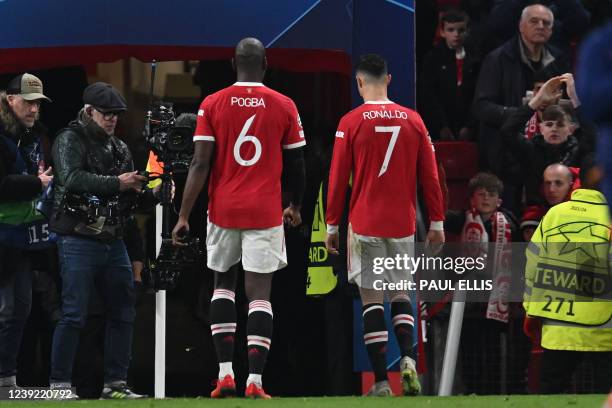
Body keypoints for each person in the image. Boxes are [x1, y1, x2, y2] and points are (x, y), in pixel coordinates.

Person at [172, 37, 306, 399]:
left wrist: (184, 214)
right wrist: (295, 205)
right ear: (265, 64)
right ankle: (256, 382)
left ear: (234, 64)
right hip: (265, 210)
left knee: (222, 285)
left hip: (224, 209)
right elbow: (297, 164)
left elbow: (200, 162)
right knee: (260, 294)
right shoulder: (284, 105)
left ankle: (226, 374)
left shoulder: (212, 103)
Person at [324, 54, 445, 396]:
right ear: (389, 79)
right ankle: (407, 358)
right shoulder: (414, 120)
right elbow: (431, 177)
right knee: (401, 293)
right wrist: (436, 220)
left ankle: (380, 382)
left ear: (359, 82)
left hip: (365, 222)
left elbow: (336, 180)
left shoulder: (350, 122)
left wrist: (332, 226)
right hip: (402, 223)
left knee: (371, 300)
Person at [49, 82, 153, 399]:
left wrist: (152, 193)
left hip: (113, 239)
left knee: (124, 311)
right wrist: (118, 183)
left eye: (116, 116)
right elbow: (70, 178)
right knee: (74, 313)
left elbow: (131, 199)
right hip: (77, 237)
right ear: (89, 111)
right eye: (106, 114)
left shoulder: (120, 148)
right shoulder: (69, 139)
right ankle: (59, 385)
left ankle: (115, 384)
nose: (111, 120)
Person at [523, 159, 612, 393]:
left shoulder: (554, 214)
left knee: (551, 394)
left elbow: (531, 263)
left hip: (558, 325)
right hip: (604, 330)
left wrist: (532, 309)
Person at [0, 73, 53, 389]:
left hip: (19, 238)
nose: (34, 110)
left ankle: (6, 380)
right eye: (29, 102)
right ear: (10, 100)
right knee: (8, 309)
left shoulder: (30, 137)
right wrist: (37, 183)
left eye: (38, 104)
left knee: (21, 308)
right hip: (3, 236)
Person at [473, 4, 568, 175]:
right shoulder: (497, 60)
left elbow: (566, 108)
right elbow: (482, 107)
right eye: (534, 21)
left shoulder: (558, 61)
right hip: (504, 156)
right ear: (521, 26)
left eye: (546, 23)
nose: (540, 26)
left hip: (545, 156)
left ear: (552, 31)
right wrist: (522, 113)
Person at [419, 8, 480, 141]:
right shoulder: (433, 59)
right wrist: (441, 126)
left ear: (468, 31)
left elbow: (477, 95)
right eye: (451, 30)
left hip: (467, 127)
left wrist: (469, 125)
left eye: (461, 30)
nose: (456, 34)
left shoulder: (475, 59)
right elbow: (428, 95)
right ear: (442, 32)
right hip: (439, 127)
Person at [520, 163, 577, 242]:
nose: (551, 189)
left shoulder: (583, 209)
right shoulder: (535, 213)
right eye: (547, 183)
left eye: (558, 183)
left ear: (570, 185)